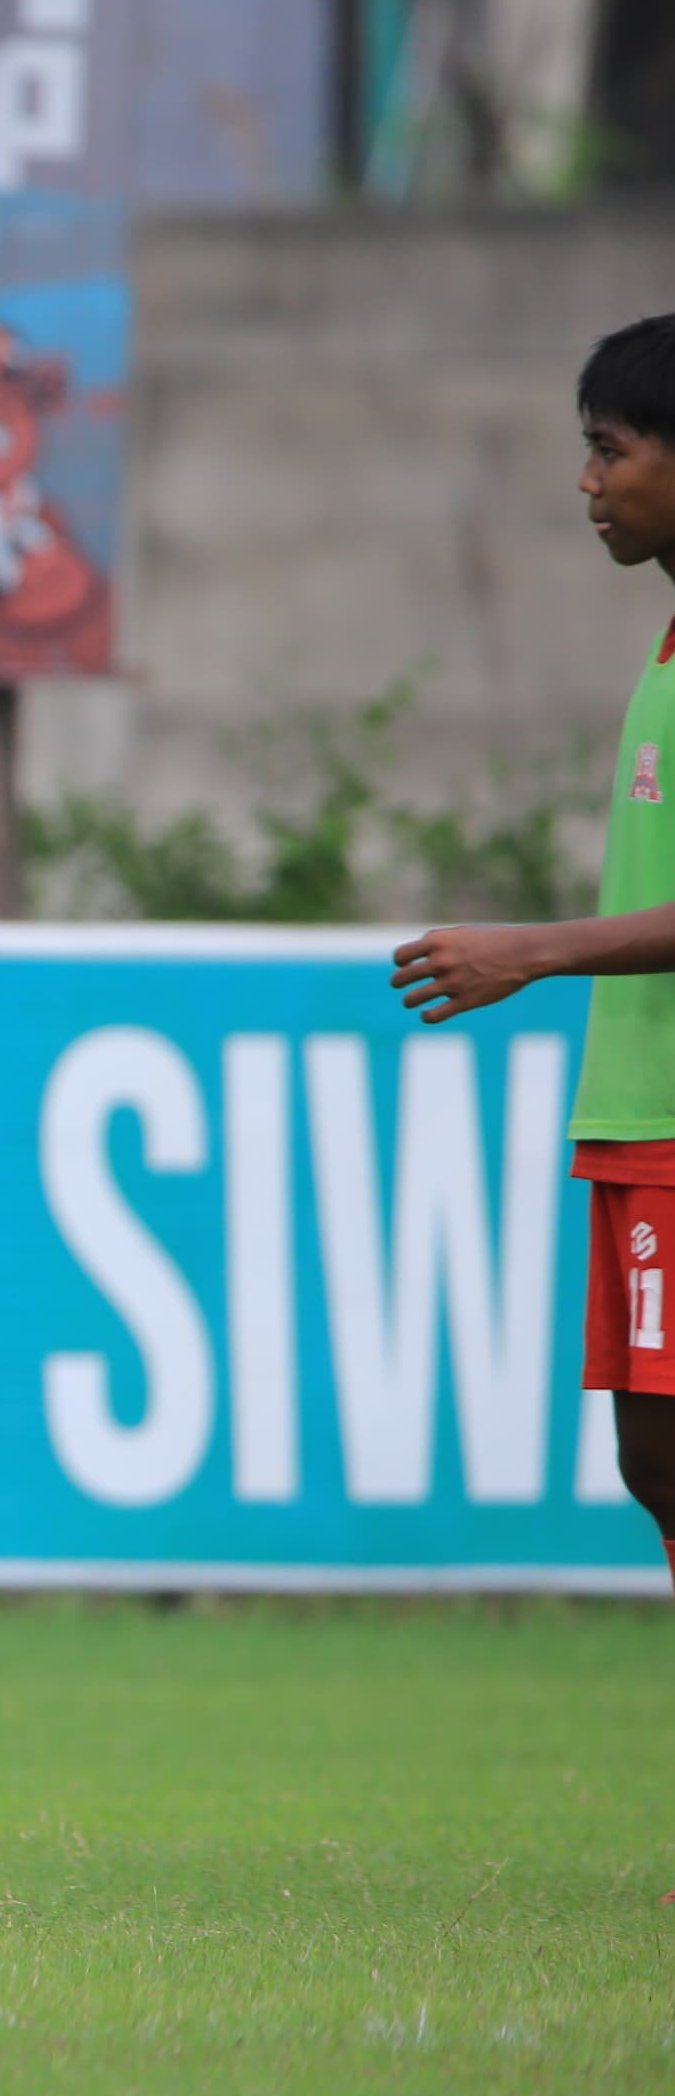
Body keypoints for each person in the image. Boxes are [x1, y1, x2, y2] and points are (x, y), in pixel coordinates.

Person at [393, 312, 675, 1586]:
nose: (587, 482)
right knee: (654, 1465)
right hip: (637, 1114)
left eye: (609, 449)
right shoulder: (668, 645)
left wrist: (539, 951)